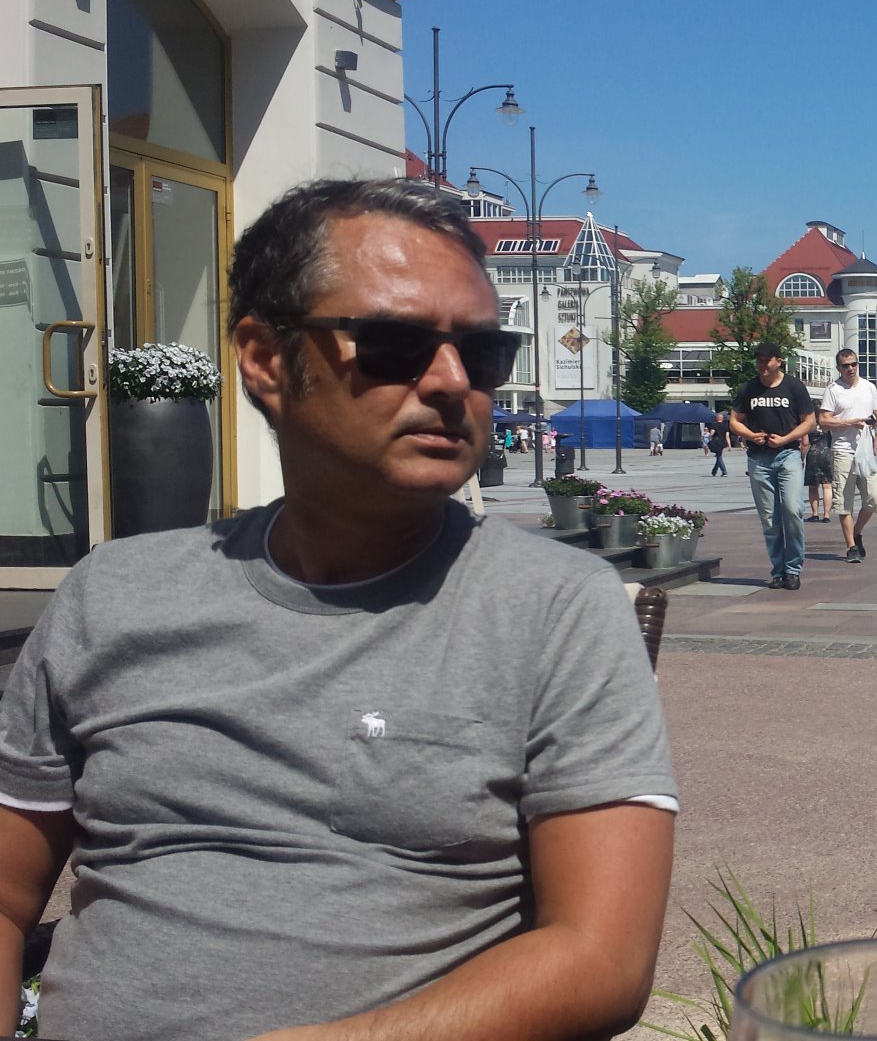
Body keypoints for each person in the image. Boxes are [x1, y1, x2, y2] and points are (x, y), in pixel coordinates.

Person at [0, 179, 678, 1041]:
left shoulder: (556, 608)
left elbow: (601, 958)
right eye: (395, 345)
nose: (452, 382)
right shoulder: (114, 595)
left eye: (483, 353)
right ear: (264, 358)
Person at [732, 341, 815, 589]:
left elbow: (809, 421)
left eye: (767, 360)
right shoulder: (749, 388)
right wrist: (750, 435)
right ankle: (779, 571)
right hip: (759, 458)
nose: (762, 365)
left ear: (779, 361)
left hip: (788, 454)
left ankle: (793, 569)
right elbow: (734, 420)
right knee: (769, 518)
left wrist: (787, 438)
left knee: (792, 509)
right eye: (759, 360)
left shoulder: (794, 387)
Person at [818, 348, 877, 564]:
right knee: (843, 501)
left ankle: (856, 532)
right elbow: (823, 420)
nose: (850, 368)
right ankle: (851, 547)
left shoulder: (869, 387)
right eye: (845, 365)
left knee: (873, 499)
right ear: (838, 368)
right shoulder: (833, 390)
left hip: (865, 450)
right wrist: (849, 422)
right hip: (843, 450)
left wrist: (874, 421)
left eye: (854, 364)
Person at [804, 416, 834, 522]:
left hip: (813, 454)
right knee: (827, 486)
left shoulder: (810, 424)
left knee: (813, 486)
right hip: (827, 453)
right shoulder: (828, 424)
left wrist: (801, 457)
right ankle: (826, 515)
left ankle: (815, 514)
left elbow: (805, 443)